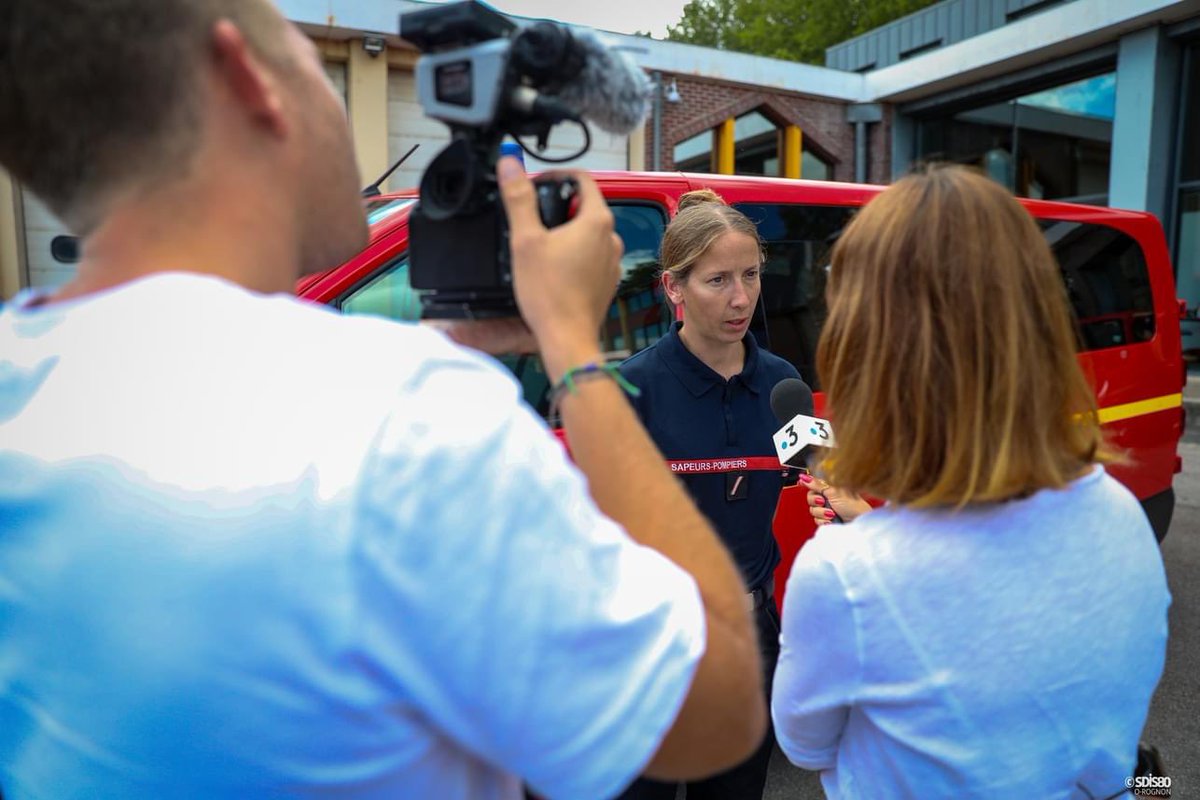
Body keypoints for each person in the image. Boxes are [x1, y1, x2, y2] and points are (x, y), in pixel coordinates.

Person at [0, 2, 768, 798]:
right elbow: (716, 709)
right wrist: (572, 345)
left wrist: (440, 354)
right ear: (247, 79)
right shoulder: (415, 425)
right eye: (305, 57)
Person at [771, 164, 1171, 799]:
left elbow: (806, 743)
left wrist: (868, 548)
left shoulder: (842, 577)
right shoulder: (1121, 514)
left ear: (866, 354)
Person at [615, 190, 804, 800]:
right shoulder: (630, 390)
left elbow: (814, 477)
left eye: (750, 275)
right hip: (652, 641)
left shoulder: (784, 383)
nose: (741, 297)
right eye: (718, 279)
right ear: (674, 288)